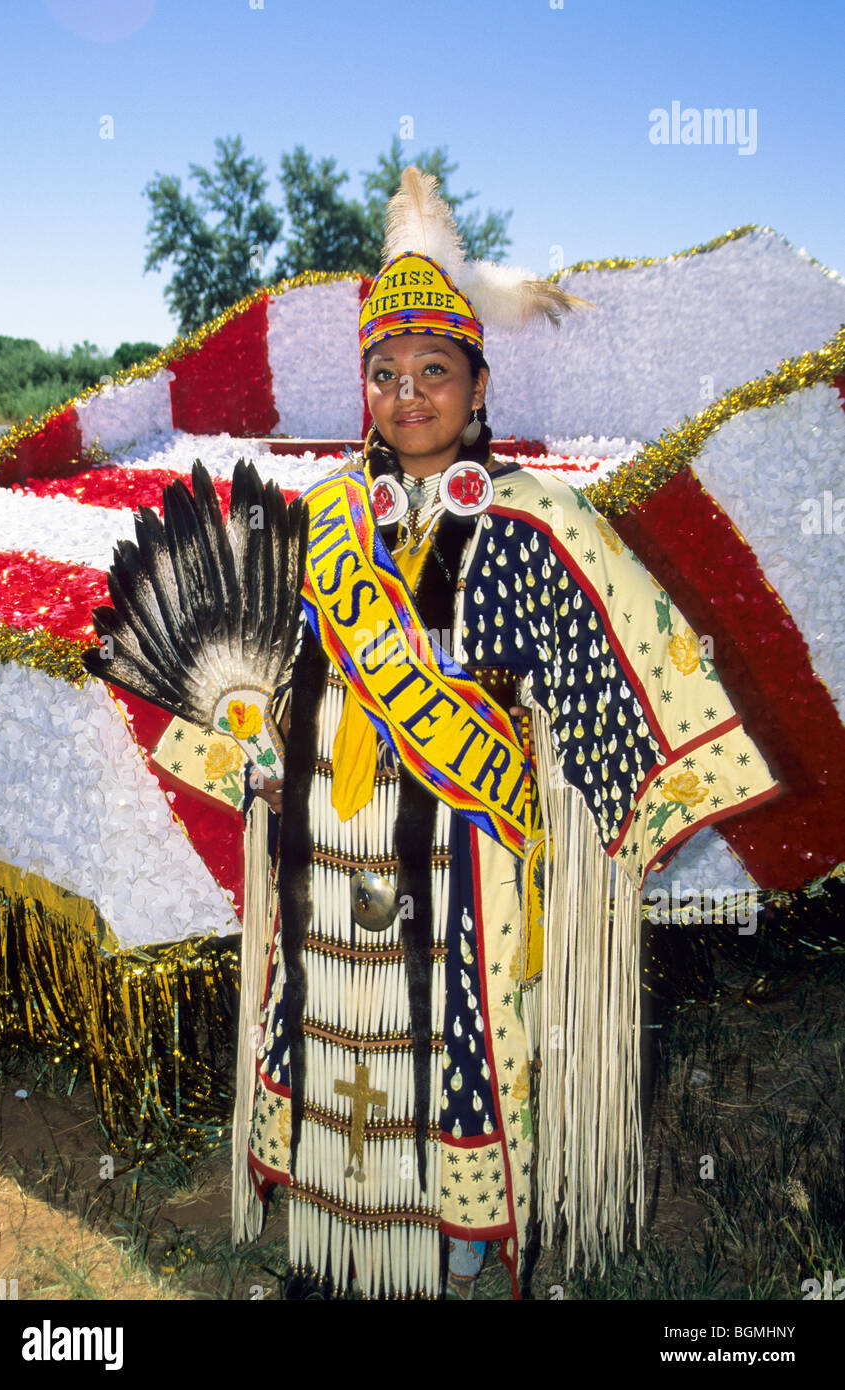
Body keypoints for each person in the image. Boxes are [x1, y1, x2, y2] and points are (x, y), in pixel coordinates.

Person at [244, 170, 780, 1299]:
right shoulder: (329, 515)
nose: (407, 393)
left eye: (432, 370)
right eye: (385, 373)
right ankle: (337, 1258)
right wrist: (259, 752)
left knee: (458, 1047)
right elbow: (281, 673)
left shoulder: (539, 520)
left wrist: (628, 781)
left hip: (468, 861)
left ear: (478, 384)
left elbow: (626, 658)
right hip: (332, 850)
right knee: (340, 1027)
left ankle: (462, 1257)